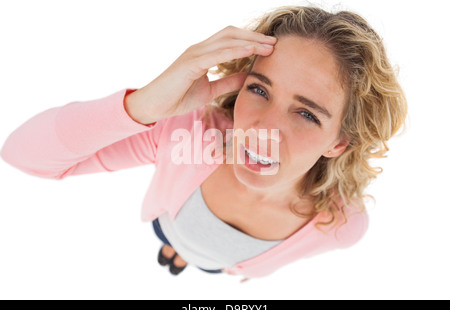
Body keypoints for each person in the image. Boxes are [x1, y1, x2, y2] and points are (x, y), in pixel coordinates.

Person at [0, 5, 407, 280]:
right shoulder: (186, 135)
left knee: (205, 262)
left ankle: (191, 259)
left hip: (221, 266)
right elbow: (23, 155)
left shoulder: (343, 226)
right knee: (172, 243)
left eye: (306, 113)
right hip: (168, 225)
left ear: (339, 143)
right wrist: (146, 103)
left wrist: (236, 271)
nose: (263, 126)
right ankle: (177, 252)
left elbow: (266, 264)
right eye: (259, 90)